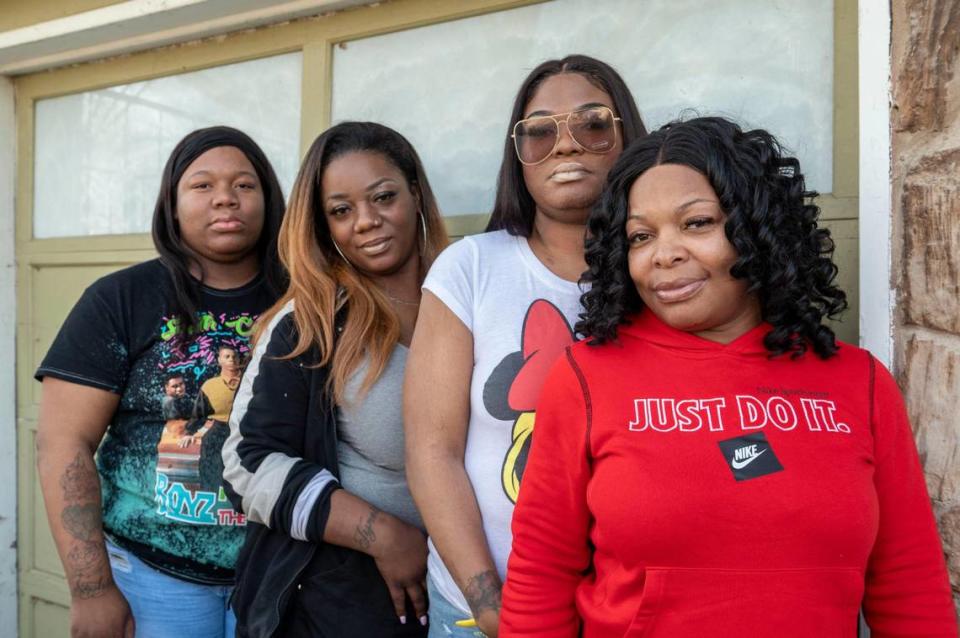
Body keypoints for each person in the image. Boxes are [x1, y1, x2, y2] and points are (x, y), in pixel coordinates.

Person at [499, 117, 959, 637]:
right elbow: (541, 575)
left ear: (758, 228)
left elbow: (908, 584)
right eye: (640, 236)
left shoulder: (860, 382)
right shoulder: (585, 377)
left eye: (697, 223)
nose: (663, 254)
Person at [404, 54, 646, 637]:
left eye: (591, 123)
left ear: (626, 137)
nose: (565, 146)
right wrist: (489, 603)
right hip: (484, 611)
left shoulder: (662, 273)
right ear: (519, 156)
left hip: (629, 612)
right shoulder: (470, 267)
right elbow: (431, 451)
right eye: (538, 131)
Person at [35, 126, 287, 638]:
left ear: (268, 199)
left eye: (244, 184)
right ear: (172, 204)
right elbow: (64, 443)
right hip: (151, 578)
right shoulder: (120, 299)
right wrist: (90, 588)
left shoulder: (304, 297)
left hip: (280, 575)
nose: (225, 198)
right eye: (202, 185)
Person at [222, 121, 448, 637]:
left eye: (383, 196)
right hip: (336, 601)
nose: (366, 222)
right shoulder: (312, 321)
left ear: (415, 192)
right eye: (341, 211)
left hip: (464, 593)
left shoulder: (467, 297)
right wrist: (383, 536)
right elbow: (245, 463)